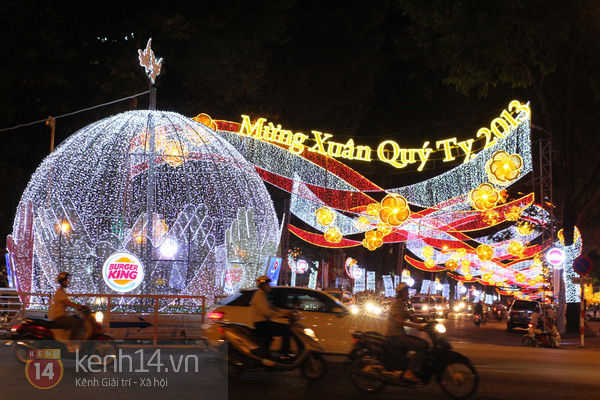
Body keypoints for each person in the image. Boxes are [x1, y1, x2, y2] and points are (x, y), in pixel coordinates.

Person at [386, 283, 428, 383]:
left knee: (422, 343)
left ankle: (409, 368)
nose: (408, 294)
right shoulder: (396, 305)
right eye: (406, 292)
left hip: (399, 335)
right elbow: (399, 321)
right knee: (422, 345)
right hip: (395, 336)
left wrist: (426, 322)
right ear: (401, 293)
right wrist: (417, 327)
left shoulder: (402, 305)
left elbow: (411, 318)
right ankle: (408, 372)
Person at [250, 276, 293, 359]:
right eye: (267, 284)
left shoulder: (262, 295)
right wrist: (282, 315)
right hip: (262, 324)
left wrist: (286, 312)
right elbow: (267, 311)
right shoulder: (259, 295)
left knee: (286, 329)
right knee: (287, 329)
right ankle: (284, 353)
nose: (269, 286)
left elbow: (273, 308)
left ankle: (275, 354)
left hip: (264, 323)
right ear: (262, 285)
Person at [49, 272, 86, 350]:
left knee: (77, 318)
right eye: (66, 280)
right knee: (75, 323)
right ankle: (71, 344)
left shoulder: (62, 291)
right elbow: (68, 303)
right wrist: (79, 307)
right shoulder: (59, 292)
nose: (68, 282)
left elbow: (68, 303)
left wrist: (80, 306)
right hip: (58, 317)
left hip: (62, 316)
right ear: (62, 281)